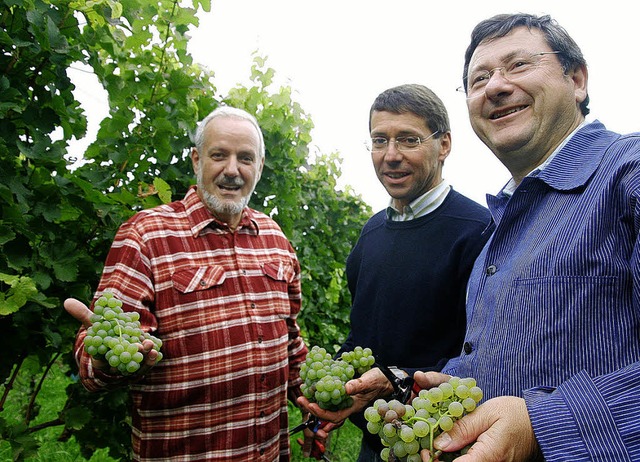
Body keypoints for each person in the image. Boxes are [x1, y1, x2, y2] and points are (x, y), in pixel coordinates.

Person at [410, 13, 640, 461]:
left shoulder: (628, 172)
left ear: (577, 80)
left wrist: (543, 425)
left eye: (518, 65)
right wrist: (454, 384)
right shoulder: (499, 232)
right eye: (479, 78)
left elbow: (529, 415)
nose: (495, 86)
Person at [64, 106, 309, 461]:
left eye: (245, 158)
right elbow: (98, 350)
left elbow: (289, 341)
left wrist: (313, 397)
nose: (232, 170)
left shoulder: (274, 238)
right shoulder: (147, 236)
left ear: (259, 166)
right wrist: (102, 361)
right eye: (218, 155)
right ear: (196, 160)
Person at [300, 84, 493, 461]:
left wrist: (396, 381)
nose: (390, 156)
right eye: (379, 140)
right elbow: (364, 334)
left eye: (408, 139)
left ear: (444, 145)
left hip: (443, 444)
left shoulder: (479, 231)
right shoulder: (371, 232)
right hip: (378, 439)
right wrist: (340, 387)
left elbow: (485, 356)